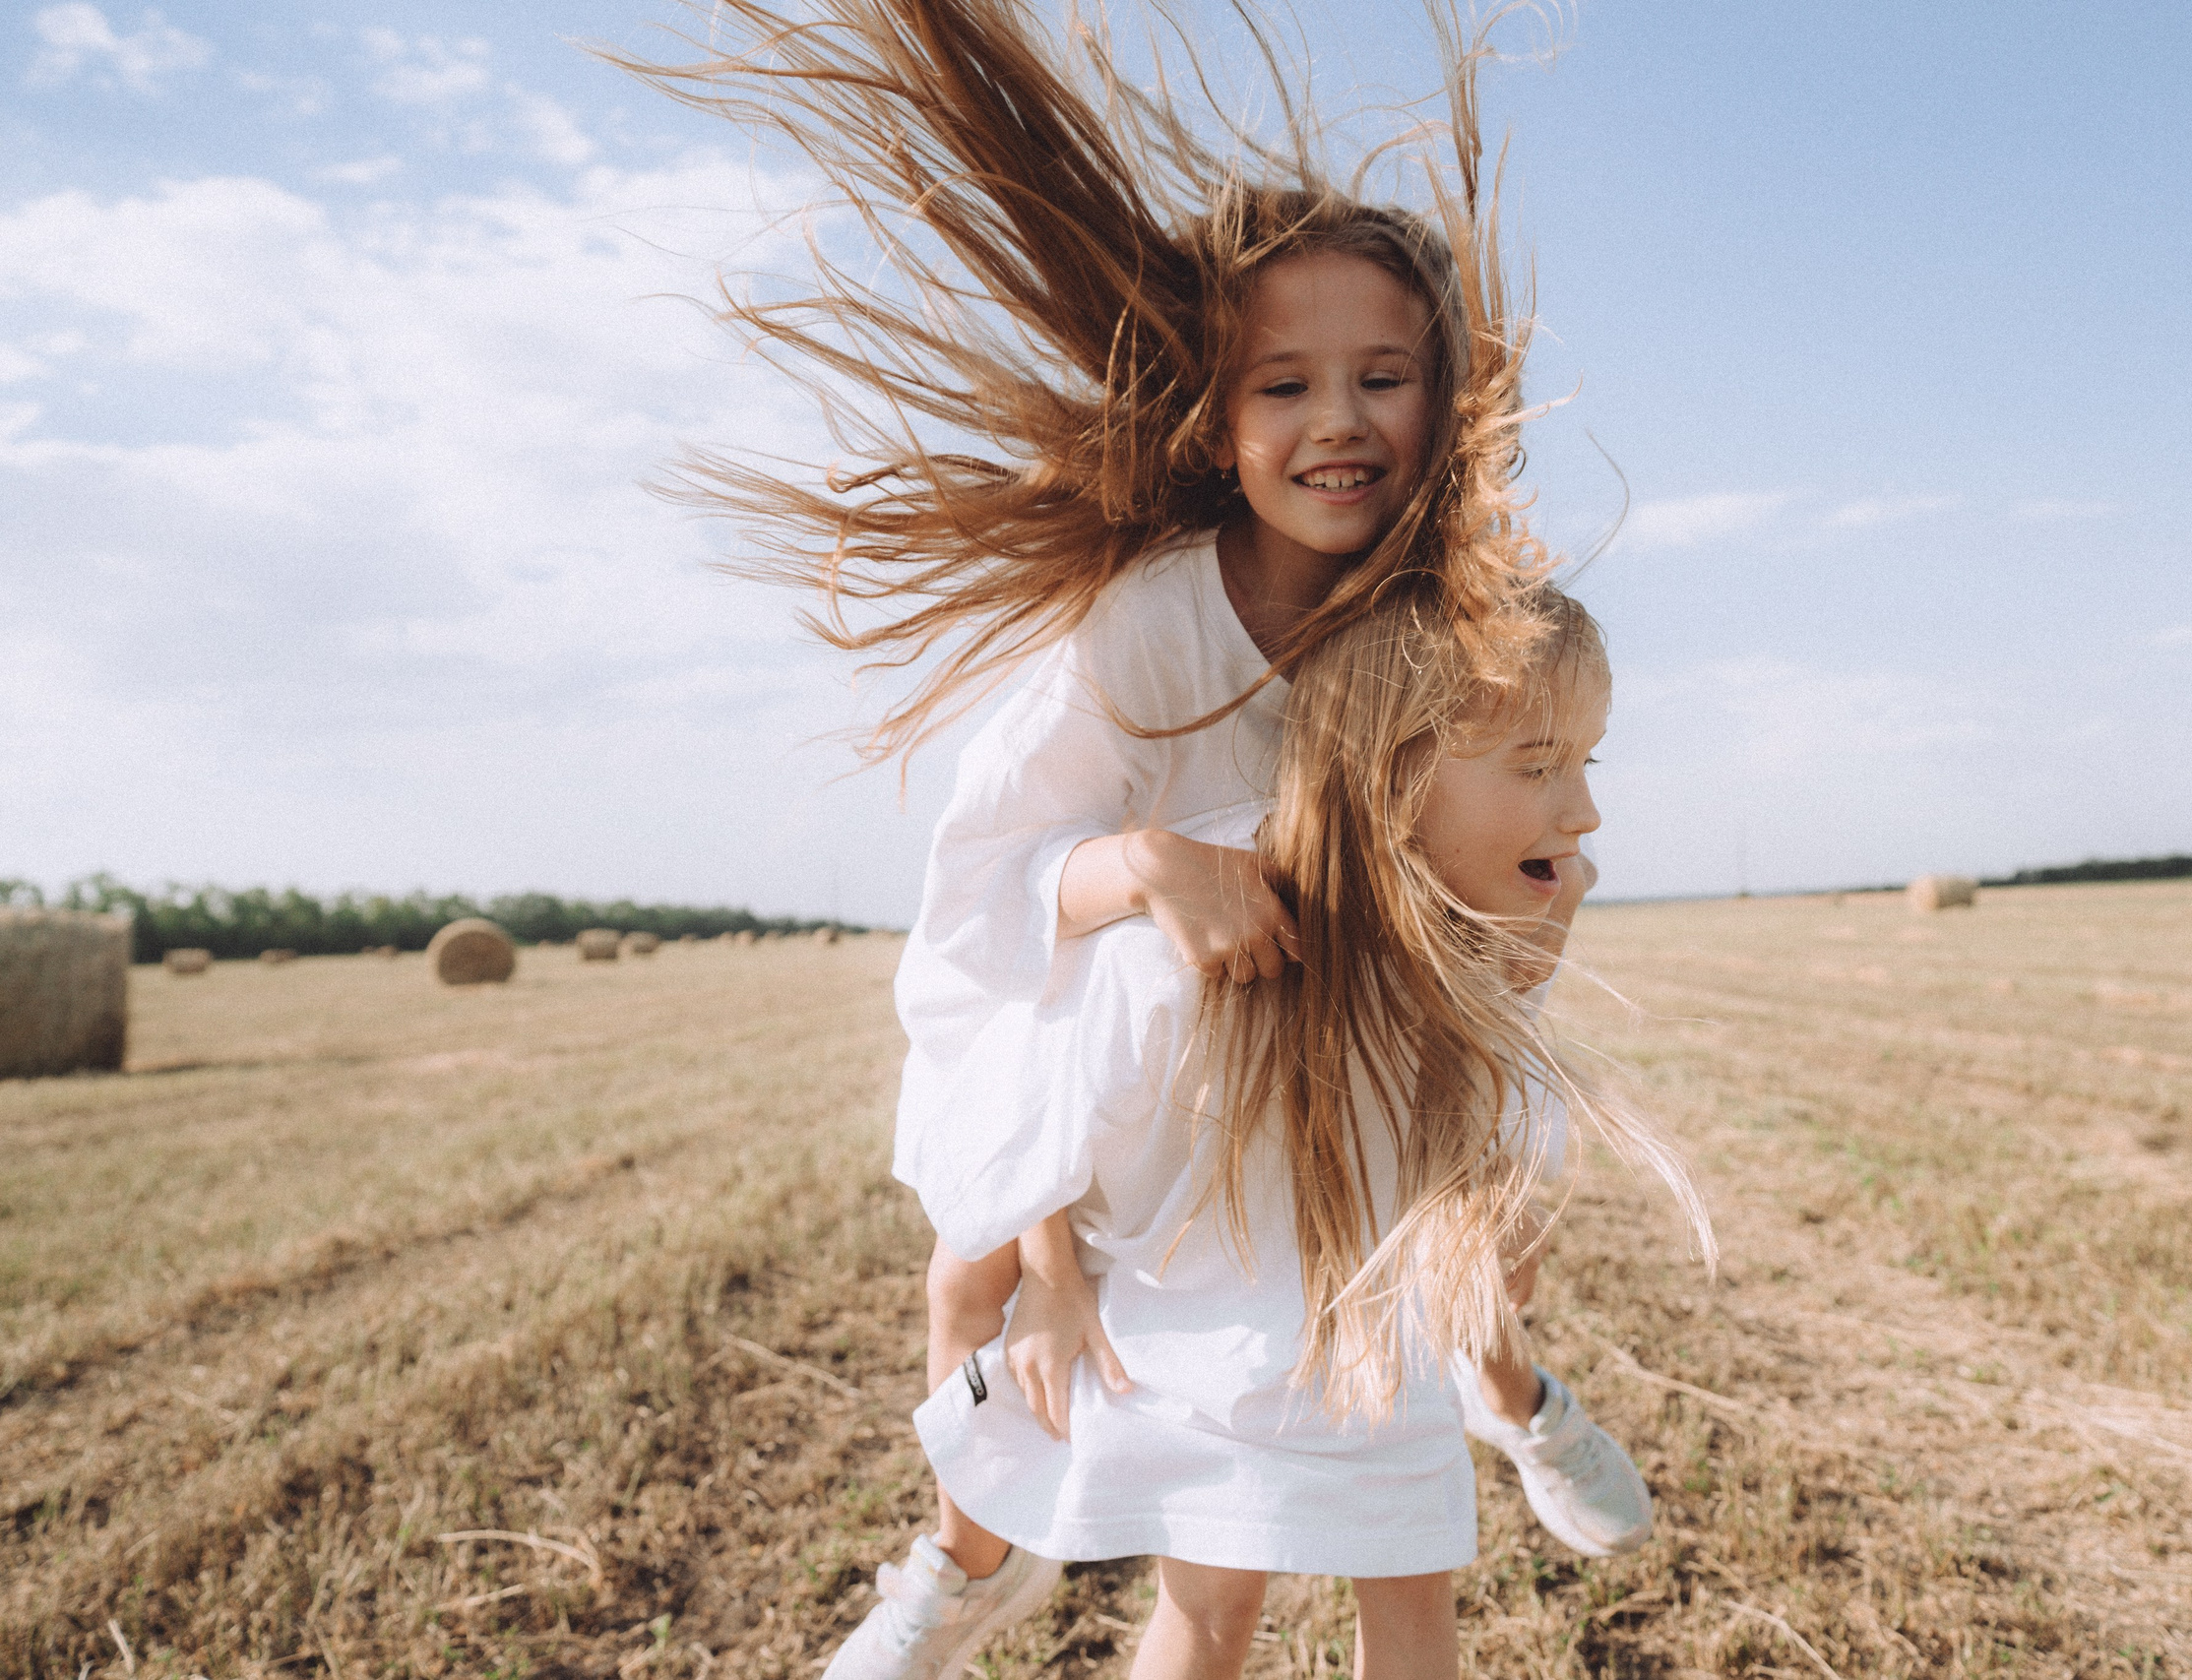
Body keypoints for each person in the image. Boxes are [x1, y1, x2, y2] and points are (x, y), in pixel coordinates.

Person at [613, 2, 1674, 1671]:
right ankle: (957, 1565)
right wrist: (1154, 873)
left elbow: (1525, 818)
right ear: (1213, 410)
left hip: (1363, 1031)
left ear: (1438, 394)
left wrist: (1524, 912)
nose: (1340, 417)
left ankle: (1514, 1394)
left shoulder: (1439, 608)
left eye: (1382, 375)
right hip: (1130, 1037)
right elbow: (1001, 900)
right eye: (1288, 381)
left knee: (1455, 1262)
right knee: (989, 1303)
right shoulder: (1145, 630)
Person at [913, 587, 1713, 1680]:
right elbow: (1037, 1097)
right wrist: (1049, 1275)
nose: (1584, 812)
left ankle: (1520, 1403)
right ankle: (953, 1575)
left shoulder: (1513, 920)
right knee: (1207, 1616)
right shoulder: (1185, 942)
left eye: (1587, 762)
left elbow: (1496, 1096)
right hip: (1219, 1341)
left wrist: (1506, 1209)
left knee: (1410, 1597)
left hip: (1382, 1328)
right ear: (1390, 775)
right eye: (1535, 766)